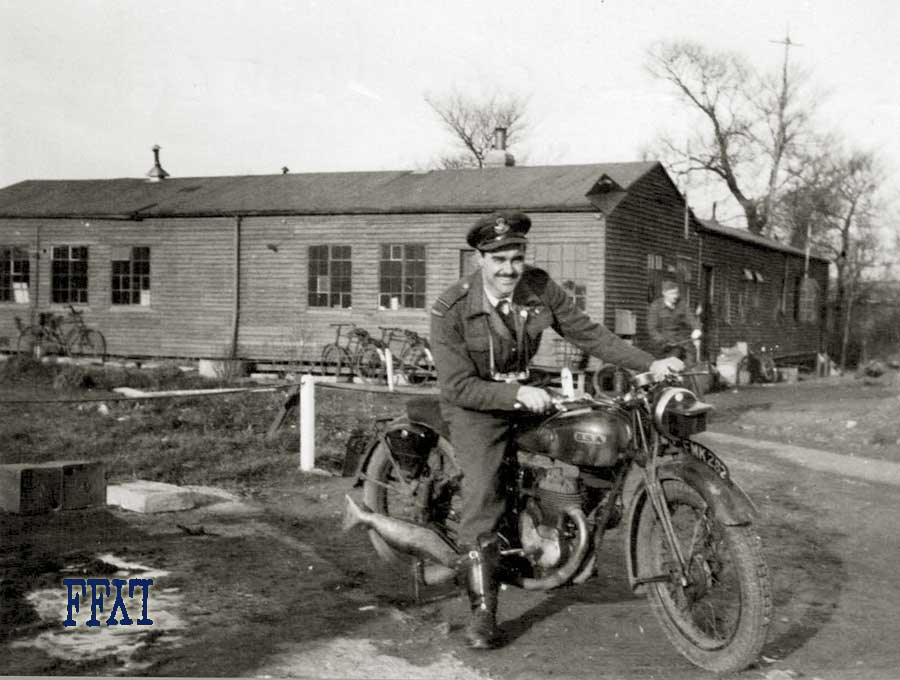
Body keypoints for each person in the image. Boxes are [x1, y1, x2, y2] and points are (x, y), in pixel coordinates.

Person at [430, 210, 683, 650]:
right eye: (499, 259)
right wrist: (514, 396)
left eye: (517, 257)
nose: (510, 268)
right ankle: (483, 613)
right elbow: (457, 385)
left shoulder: (540, 288)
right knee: (484, 494)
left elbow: (591, 335)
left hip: (527, 395)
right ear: (479, 259)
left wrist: (650, 364)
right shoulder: (451, 309)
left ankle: (558, 526)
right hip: (475, 407)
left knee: (585, 442)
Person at [646, 279, 702, 360]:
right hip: (663, 345)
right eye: (672, 293)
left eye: (676, 293)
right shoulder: (656, 306)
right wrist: (663, 341)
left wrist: (697, 329)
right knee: (671, 362)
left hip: (682, 342)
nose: (675, 296)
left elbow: (691, 318)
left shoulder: (682, 304)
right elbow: (652, 329)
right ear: (664, 293)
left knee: (691, 359)